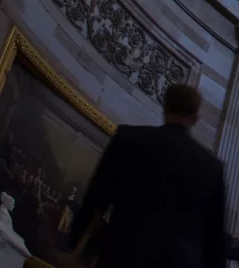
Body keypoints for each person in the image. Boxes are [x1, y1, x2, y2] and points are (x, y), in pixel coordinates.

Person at [66, 83, 226, 268]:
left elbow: (97, 195)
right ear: (195, 118)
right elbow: (214, 240)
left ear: (165, 107)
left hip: (124, 254)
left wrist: (74, 239)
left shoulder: (128, 138)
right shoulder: (212, 167)